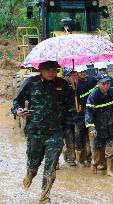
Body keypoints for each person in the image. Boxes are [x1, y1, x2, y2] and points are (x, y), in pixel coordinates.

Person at [12, 61, 72, 203]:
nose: (53, 72)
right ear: (41, 70)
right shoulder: (30, 83)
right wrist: (18, 110)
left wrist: (74, 89)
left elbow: (71, 107)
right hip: (35, 132)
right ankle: (30, 174)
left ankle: (44, 197)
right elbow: (16, 102)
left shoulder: (63, 85)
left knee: (50, 166)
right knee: (34, 163)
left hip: (56, 133)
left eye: (55, 69)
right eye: (49, 69)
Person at [85, 72, 113, 177]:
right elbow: (88, 113)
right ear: (98, 84)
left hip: (111, 126)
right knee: (97, 152)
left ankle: (109, 170)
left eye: (108, 83)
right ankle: (94, 165)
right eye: (103, 84)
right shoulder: (93, 96)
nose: (106, 86)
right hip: (98, 129)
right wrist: (91, 128)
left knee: (111, 149)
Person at [74, 65, 97, 166]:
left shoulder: (92, 80)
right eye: (80, 72)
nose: (83, 73)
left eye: (84, 71)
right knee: (79, 136)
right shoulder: (74, 84)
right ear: (77, 73)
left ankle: (91, 157)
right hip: (79, 114)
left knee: (92, 135)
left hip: (91, 112)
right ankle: (80, 160)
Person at [62, 67, 78, 167]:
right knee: (67, 138)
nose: (75, 76)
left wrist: (74, 88)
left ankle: (71, 157)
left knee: (74, 139)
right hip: (64, 118)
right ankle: (70, 157)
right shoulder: (61, 87)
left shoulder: (77, 85)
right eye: (73, 74)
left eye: (75, 74)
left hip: (75, 117)